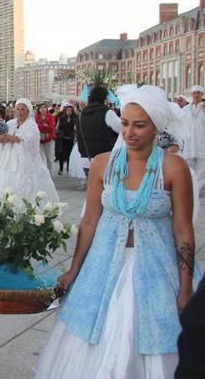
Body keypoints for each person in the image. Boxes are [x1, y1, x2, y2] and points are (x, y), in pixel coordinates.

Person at [35, 85, 202, 379]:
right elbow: (89, 222)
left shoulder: (173, 168)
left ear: (156, 127)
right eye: (125, 123)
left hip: (158, 269)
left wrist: (186, 287)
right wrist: (73, 270)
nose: (129, 132)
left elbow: (183, 229)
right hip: (103, 264)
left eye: (140, 125)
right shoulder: (103, 164)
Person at [0, 98, 58, 203]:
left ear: (28, 111)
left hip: (25, 160)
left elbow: (30, 143)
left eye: (23, 109)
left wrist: (13, 138)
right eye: (18, 109)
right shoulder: (10, 123)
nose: (20, 112)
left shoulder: (32, 125)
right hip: (8, 159)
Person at [76, 86, 120, 189]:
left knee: (93, 193)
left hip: (86, 159)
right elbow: (122, 129)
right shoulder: (107, 112)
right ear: (104, 98)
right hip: (105, 160)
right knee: (107, 194)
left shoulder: (81, 114)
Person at [181, 85, 205, 195]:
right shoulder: (185, 109)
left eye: (198, 93)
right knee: (189, 167)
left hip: (202, 142)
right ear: (192, 94)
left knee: (201, 168)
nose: (196, 95)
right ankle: (190, 190)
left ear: (202, 94)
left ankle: (197, 192)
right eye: (195, 93)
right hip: (189, 142)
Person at [56, 104, 77, 175]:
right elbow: (57, 128)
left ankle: (68, 168)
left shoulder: (74, 119)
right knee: (61, 154)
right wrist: (59, 133)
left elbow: (75, 129)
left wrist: (75, 131)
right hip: (62, 138)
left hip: (70, 138)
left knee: (69, 154)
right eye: (68, 110)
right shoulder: (61, 118)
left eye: (71, 110)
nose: (69, 112)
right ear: (65, 111)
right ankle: (61, 169)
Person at [36, 103, 56, 174]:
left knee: (50, 158)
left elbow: (51, 128)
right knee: (40, 158)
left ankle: (50, 174)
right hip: (39, 140)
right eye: (41, 107)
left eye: (44, 107)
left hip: (49, 139)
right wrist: (45, 126)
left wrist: (42, 127)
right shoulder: (36, 117)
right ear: (38, 109)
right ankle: (43, 173)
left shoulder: (51, 117)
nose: (43, 109)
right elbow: (36, 128)